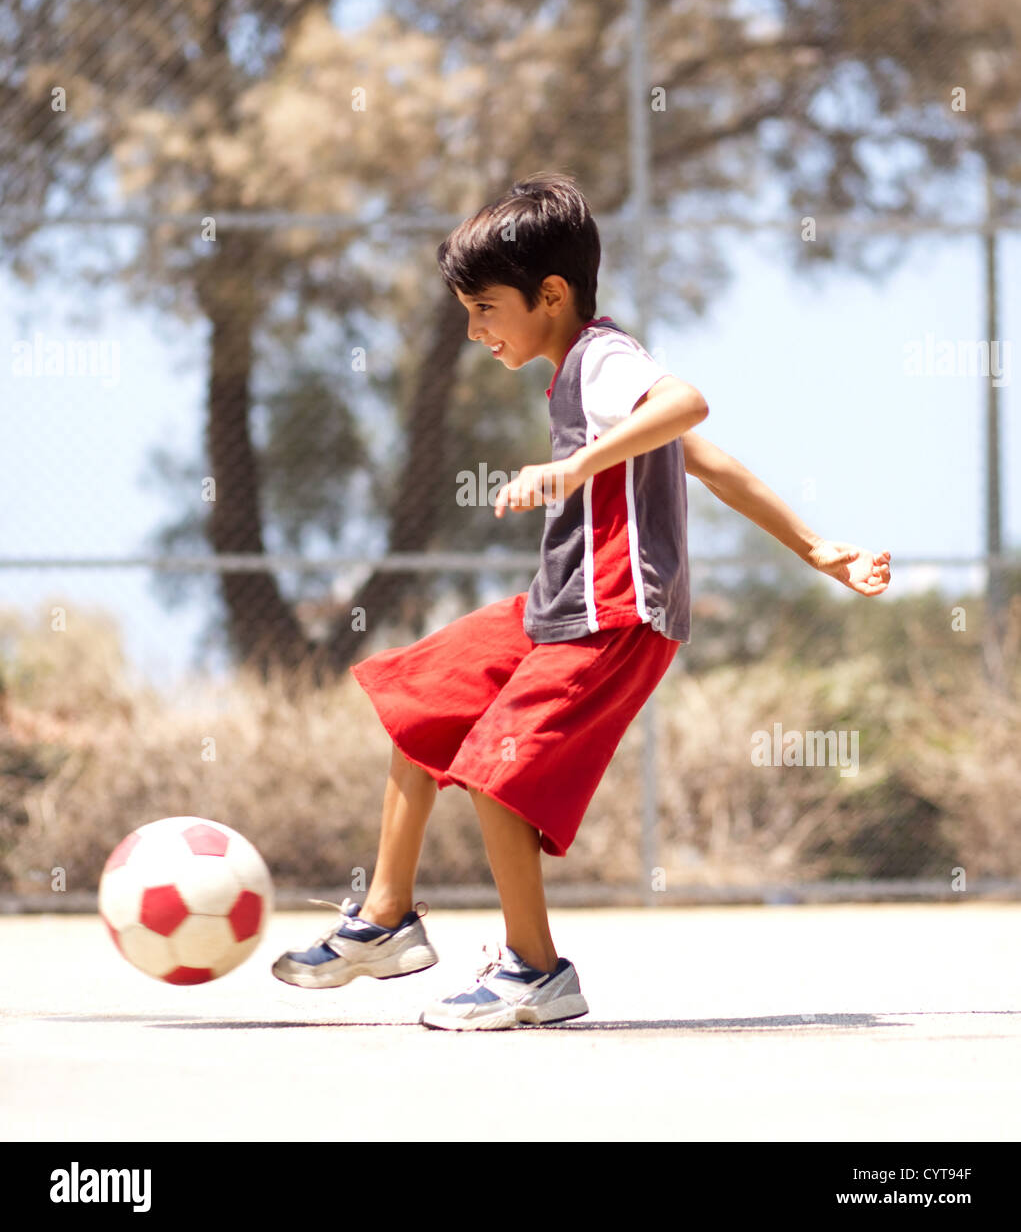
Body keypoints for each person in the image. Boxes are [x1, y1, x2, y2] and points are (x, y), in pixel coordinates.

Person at [271, 171, 892, 1030]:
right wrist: (817, 547)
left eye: (485, 308)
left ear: (550, 294)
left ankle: (534, 970)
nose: (475, 329)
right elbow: (703, 455)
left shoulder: (602, 358)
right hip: (557, 604)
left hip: (613, 613)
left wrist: (574, 465)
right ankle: (385, 919)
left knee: (495, 766)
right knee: (420, 699)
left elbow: (686, 402)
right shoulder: (578, 373)